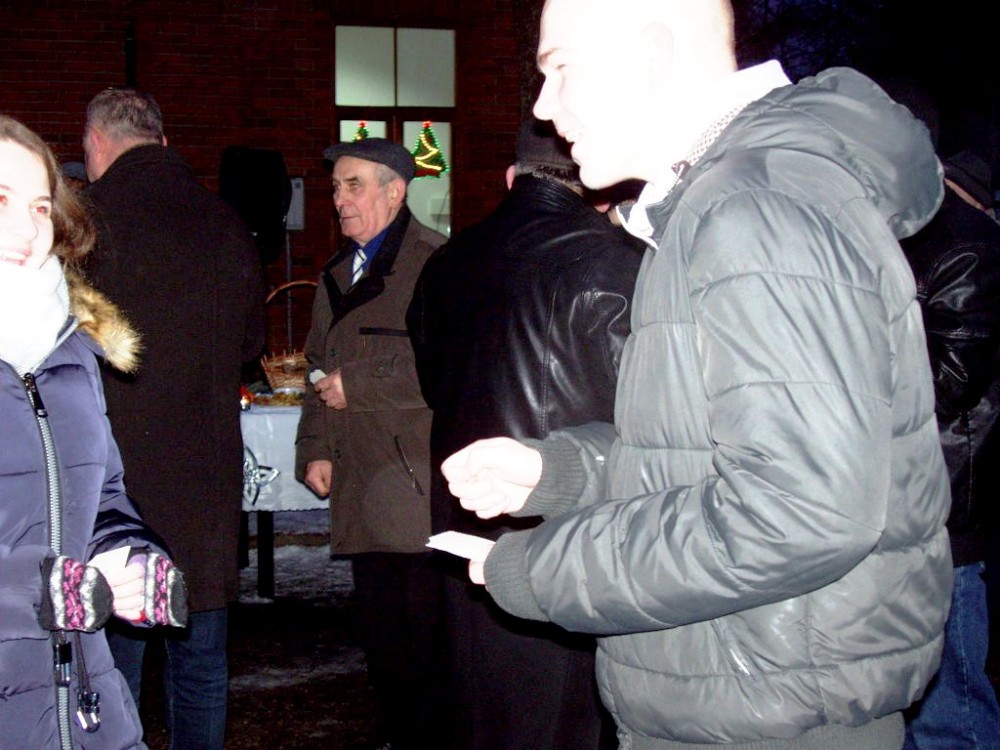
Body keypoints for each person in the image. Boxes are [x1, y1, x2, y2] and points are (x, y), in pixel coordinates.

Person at [440, 1, 954, 748]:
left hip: (768, 709)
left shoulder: (754, 207)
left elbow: (800, 511)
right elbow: (725, 459)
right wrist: (563, 473)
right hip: (749, 687)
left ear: (651, 53)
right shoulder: (723, 200)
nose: (544, 108)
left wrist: (543, 569)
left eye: (561, 69)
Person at [407, 115, 643, 750]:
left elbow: (433, 382)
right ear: (600, 189)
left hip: (464, 521)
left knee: (484, 715)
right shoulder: (617, 264)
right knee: (566, 722)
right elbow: (649, 418)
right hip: (571, 536)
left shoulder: (447, 261)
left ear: (512, 178)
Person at [81, 87, 266, 750]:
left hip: (114, 489)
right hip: (203, 487)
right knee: (200, 666)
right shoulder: (224, 222)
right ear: (162, 142)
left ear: (95, 145)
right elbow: (250, 345)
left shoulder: (87, 226)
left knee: (115, 669)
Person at [0, 114, 186, 750]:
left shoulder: (71, 347)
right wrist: (42, 588)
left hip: (82, 699)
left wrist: (127, 555)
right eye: (1, 200)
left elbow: (99, 494)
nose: (28, 228)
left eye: (40, 206)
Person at [294, 137, 447, 750]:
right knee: (382, 640)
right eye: (336, 187)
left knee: (424, 642)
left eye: (354, 185)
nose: (339, 199)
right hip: (359, 482)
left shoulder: (436, 263)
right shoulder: (337, 272)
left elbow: (447, 363)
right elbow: (314, 365)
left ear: (396, 191)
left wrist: (356, 385)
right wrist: (314, 446)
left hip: (411, 488)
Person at [900, 149, 1000, 749]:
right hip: (921, 497)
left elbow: (947, 384)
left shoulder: (966, 246)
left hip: (947, 504)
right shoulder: (918, 239)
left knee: (951, 701)